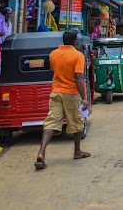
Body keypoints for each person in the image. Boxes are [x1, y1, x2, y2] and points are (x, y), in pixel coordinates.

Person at [35, 30, 90, 170]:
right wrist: (84, 98)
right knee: (77, 121)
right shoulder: (78, 55)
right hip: (71, 93)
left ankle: (41, 152)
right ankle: (77, 151)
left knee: (51, 122)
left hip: (56, 92)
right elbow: (78, 77)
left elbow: (54, 70)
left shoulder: (53, 54)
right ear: (74, 41)